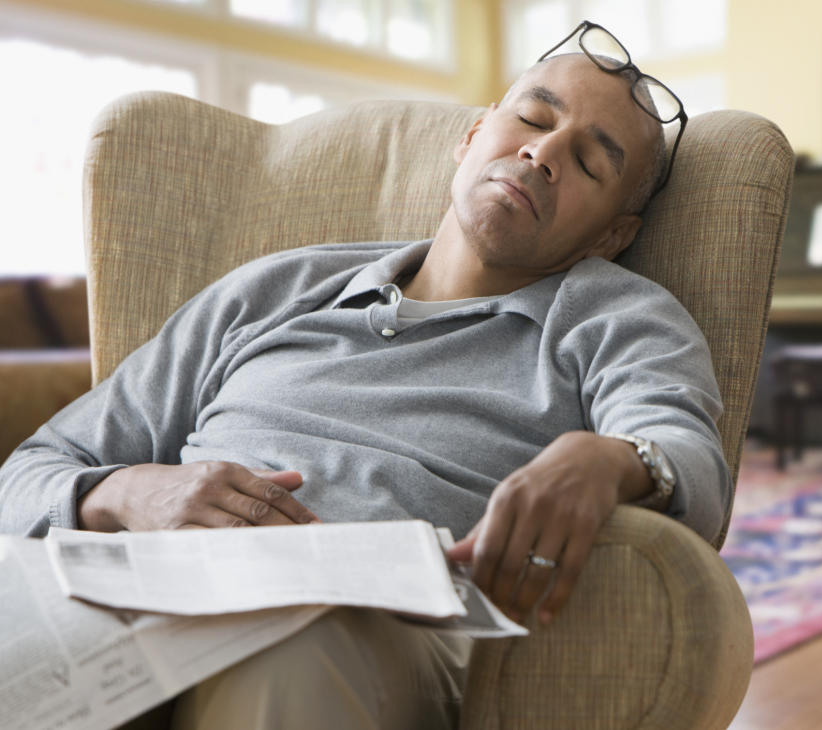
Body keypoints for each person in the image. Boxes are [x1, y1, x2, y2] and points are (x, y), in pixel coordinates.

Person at [0, 22, 729, 730]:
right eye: (533, 117)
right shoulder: (273, 289)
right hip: (143, 597)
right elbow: (28, 473)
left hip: (363, 632)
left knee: (287, 640)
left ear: (612, 235)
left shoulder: (617, 315)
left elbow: (688, 456)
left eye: (590, 163)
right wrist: (128, 491)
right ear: (474, 136)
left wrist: (610, 459)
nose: (542, 153)